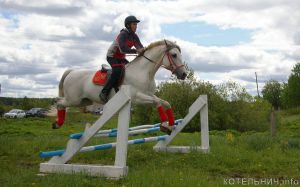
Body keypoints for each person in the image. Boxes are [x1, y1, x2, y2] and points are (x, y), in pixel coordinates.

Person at [100, 15, 144, 103]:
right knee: (117, 71)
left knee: (130, 70)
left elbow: (140, 47)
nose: (136, 26)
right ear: (128, 25)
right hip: (112, 56)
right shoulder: (123, 34)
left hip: (121, 57)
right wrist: (137, 51)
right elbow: (123, 49)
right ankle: (104, 92)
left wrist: (144, 51)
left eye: (136, 24)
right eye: (134, 24)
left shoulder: (134, 36)